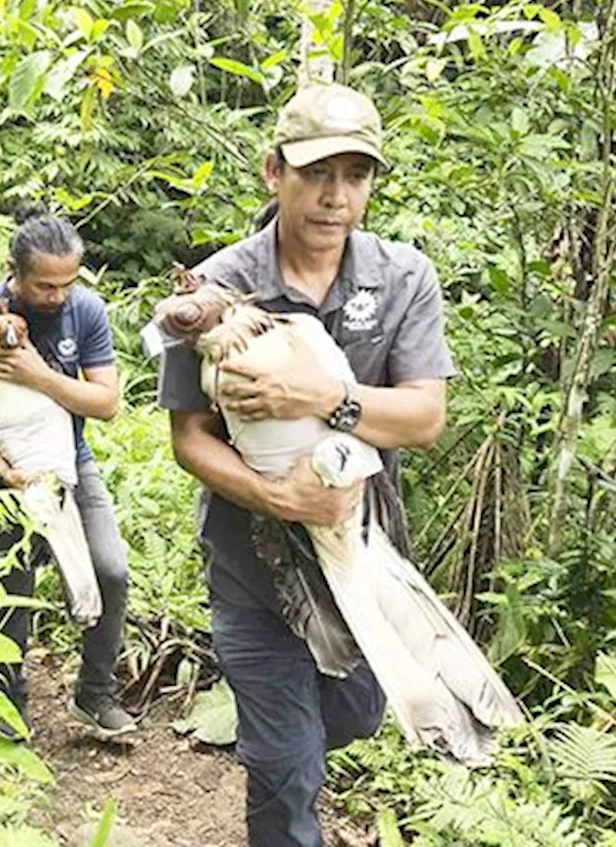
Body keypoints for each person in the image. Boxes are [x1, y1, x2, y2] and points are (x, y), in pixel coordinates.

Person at [157, 83, 457, 846]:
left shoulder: (401, 277)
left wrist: (325, 395)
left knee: (357, 713)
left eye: (355, 176)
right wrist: (277, 495)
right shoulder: (217, 288)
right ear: (273, 172)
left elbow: (423, 417)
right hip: (253, 565)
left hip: (361, 557)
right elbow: (190, 437)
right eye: (317, 173)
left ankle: (284, 750)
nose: (336, 196)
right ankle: (280, 772)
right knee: (288, 773)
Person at [0, 209, 135, 739]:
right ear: (14, 270)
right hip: (0, 477)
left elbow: (106, 402)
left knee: (109, 570)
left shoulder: (86, 312)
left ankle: (95, 694)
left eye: (68, 283)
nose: (57, 296)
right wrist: (3, 470)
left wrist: (39, 375)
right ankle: (6, 700)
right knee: (11, 587)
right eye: (45, 285)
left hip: (71, 467)